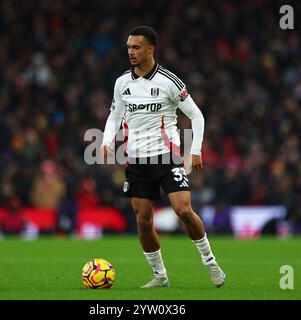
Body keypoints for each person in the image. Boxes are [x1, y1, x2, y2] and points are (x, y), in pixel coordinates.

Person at [101, 26, 226, 288]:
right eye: (128, 47)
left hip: (166, 156)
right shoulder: (122, 83)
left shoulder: (169, 82)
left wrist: (195, 150)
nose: (131, 52)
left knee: (183, 210)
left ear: (150, 49)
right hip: (136, 160)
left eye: (136, 47)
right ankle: (160, 275)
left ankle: (210, 262)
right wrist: (106, 139)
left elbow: (197, 115)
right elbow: (115, 115)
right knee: (143, 221)